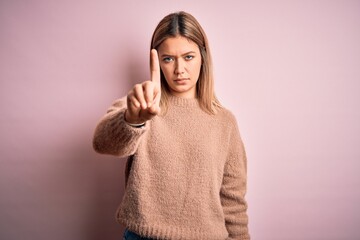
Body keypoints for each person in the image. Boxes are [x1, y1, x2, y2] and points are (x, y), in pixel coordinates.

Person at [93, 11, 250, 240]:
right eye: (168, 59)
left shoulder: (224, 122)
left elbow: (233, 201)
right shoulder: (142, 105)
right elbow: (102, 142)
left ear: (203, 57)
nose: (179, 70)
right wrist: (133, 120)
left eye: (188, 57)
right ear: (156, 61)